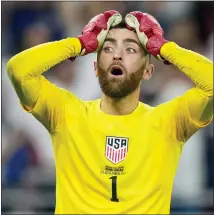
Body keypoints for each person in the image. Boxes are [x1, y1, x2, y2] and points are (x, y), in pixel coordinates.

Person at [6, 10, 213, 214]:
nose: (117, 55)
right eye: (107, 48)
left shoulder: (169, 121)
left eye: (131, 49)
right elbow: (19, 70)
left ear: (148, 71)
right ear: (95, 68)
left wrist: (165, 48)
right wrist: (78, 44)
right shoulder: (66, 113)